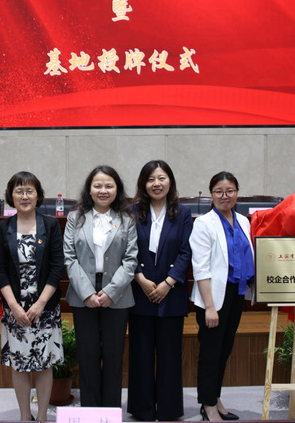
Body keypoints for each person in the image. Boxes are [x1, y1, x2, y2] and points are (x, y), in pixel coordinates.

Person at [63, 165, 138, 407]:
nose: (103, 190)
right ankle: (90, 411)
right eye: (98, 186)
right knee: (88, 356)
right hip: (82, 293)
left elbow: (130, 260)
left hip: (117, 294)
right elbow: (69, 258)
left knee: (114, 356)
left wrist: (111, 292)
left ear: (117, 189)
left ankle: (111, 411)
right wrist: (87, 293)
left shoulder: (126, 220)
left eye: (108, 186)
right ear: (89, 189)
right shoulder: (75, 218)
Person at [0, 171, 64, 421]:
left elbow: (57, 267)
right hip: (16, 308)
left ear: (38, 195)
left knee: (44, 364)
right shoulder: (3, 227)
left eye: (29, 191)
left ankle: (42, 416)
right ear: (11, 196)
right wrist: (13, 306)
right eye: (19, 191)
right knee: (20, 363)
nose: (24, 196)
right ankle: (25, 416)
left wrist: (41, 303)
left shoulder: (51, 225)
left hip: (44, 307)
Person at [127, 160, 192, 421]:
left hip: (171, 294)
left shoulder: (183, 212)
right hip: (139, 292)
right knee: (140, 355)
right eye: (151, 179)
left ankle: (169, 409)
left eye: (162, 178)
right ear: (143, 184)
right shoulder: (131, 212)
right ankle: (142, 409)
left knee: (170, 356)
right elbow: (125, 249)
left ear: (170, 182)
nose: (156, 184)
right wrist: (140, 279)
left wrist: (168, 282)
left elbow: (186, 251)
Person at [189, 171, 254, 421]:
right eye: (219, 191)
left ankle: (215, 398)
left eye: (230, 191)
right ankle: (207, 405)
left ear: (237, 193)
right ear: (211, 195)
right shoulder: (203, 223)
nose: (224, 196)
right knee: (211, 352)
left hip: (236, 294)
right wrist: (210, 307)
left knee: (224, 350)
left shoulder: (243, 221)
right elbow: (200, 268)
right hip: (213, 297)